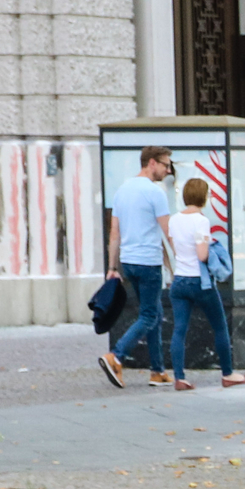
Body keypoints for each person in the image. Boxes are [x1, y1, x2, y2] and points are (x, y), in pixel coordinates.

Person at [97, 145, 174, 388]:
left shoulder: (122, 191)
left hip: (128, 262)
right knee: (150, 314)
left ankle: (158, 371)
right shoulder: (155, 192)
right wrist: (182, 261)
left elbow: (114, 233)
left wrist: (112, 267)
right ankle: (116, 356)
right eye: (165, 164)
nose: (168, 170)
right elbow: (168, 231)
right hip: (148, 261)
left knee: (153, 313)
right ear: (152, 163)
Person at [165, 178, 245, 392]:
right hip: (199, 283)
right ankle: (228, 374)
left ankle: (179, 377)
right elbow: (202, 254)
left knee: (179, 330)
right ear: (203, 197)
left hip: (179, 281)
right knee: (219, 326)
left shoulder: (173, 220)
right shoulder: (201, 221)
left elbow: (176, 250)